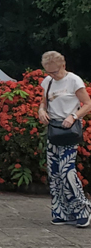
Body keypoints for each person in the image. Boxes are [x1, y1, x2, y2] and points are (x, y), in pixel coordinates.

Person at [37, 50, 91, 227]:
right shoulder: (48, 82)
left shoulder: (74, 80)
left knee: (67, 171)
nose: (53, 75)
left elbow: (88, 104)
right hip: (54, 128)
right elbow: (44, 102)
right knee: (54, 172)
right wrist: (41, 111)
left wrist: (73, 116)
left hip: (69, 128)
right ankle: (60, 211)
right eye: (49, 72)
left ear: (63, 65)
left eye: (55, 71)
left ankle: (82, 209)